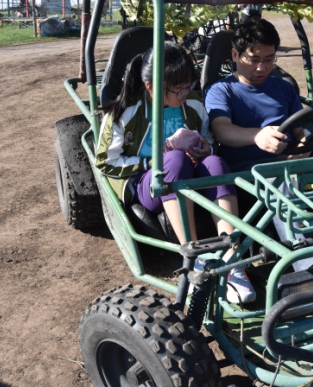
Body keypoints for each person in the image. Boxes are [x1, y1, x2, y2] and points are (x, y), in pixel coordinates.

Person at [96, 42, 255, 303]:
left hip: (188, 174)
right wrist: (153, 160)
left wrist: (205, 148)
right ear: (151, 87)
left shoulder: (193, 104)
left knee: (216, 163)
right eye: (178, 89)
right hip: (146, 184)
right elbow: (105, 162)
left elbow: (209, 139)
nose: (185, 93)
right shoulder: (125, 112)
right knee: (174, 160)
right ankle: (192, 259)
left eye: (188, 85)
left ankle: (232, 259)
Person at [205, 18, 308, 172]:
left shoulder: (284, 87)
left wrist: (303, 149)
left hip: (288, 165)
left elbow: (300, 131)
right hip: (246, 172)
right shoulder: (220, 91)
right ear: (235, 55)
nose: (262, 68)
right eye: (254, 60)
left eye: (269, 59)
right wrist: (257, 136)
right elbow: (222, 130)